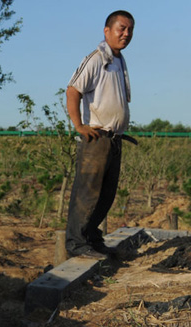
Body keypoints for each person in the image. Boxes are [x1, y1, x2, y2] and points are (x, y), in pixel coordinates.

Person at [65, 10, 134, 258]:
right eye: (121, 28)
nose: (126, 34)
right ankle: (76, 244)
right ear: (107, 31)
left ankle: (93, 239)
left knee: (106, 195)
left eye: (130, 30)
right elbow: (73, 91)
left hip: (113, 140)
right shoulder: (96, 58)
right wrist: (79, 126)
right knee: (87, 193)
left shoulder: (119, 61)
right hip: (96, 138)